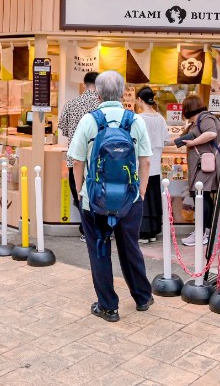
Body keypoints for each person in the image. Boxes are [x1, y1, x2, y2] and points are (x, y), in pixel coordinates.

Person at [69, 71, 153, 322]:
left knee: (100, 250)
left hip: (95, 200)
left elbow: (77, 160)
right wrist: (141, 192)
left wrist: (82, 190)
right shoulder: (135, 120)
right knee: (131, 248)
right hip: (129, 198)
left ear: (97, 93)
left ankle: (108, 306)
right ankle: (142, 296)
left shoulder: (89, 120)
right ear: (123, 92)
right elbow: (145, 161)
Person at [175, 95, 220, 247]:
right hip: (201, 166)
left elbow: (212, 133)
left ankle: (201, 233)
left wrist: (193, 142)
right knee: (203, 197)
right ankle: (206, 232)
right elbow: (178, 140)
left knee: (200, 196)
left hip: (206, 166)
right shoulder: (194, 124)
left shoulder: (205, 118)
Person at [58, 71, 101, 241]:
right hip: (98, 159)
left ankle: (86, 230)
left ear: (84, 84)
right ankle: (99, 230)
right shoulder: (101, 105)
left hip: (75, 159)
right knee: (99, 194)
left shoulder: (71, 104)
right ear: (99, 85)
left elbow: (63, 128)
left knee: (80, 194)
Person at [135, 87, 172, 243]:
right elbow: (166, 140)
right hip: (156, 165)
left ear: (139, 100)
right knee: (154, 198)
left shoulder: (138, 119)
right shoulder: (160, 118)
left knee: (142, 197)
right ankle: (153, 230)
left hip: (140, 164)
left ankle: (142, 231)